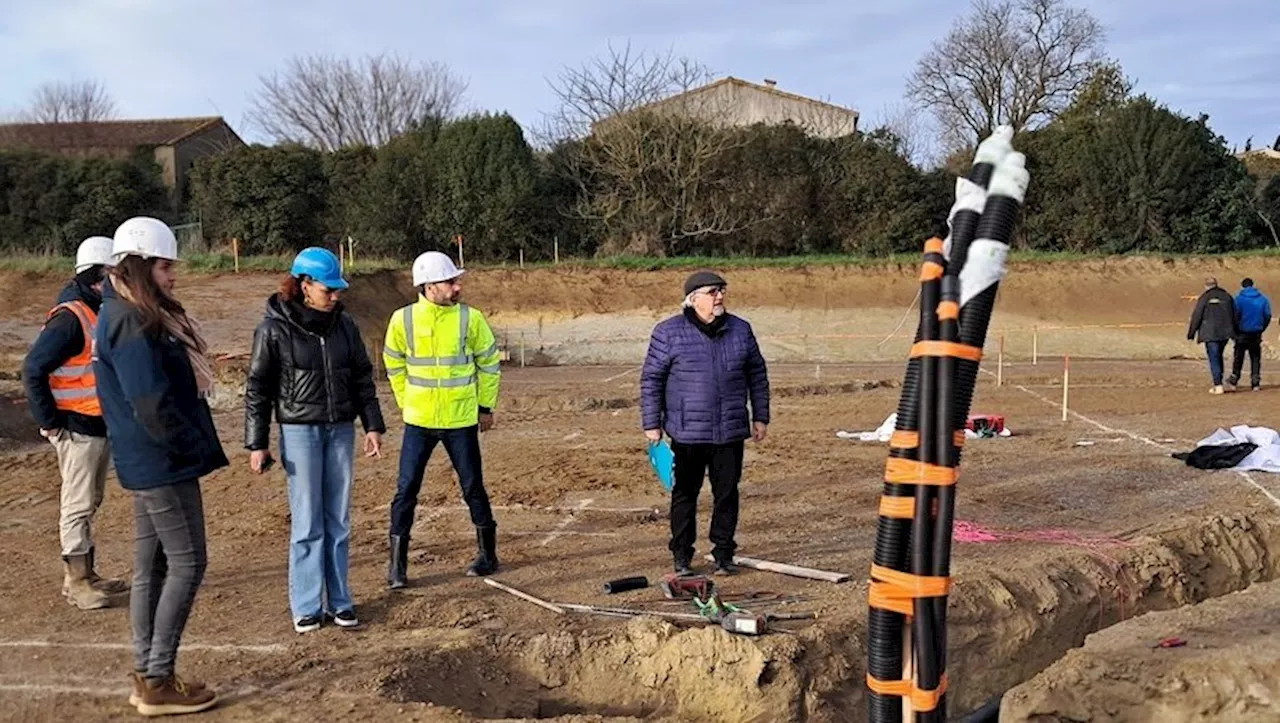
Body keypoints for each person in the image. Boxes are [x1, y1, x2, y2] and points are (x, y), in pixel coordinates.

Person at [94, 216, 226, 715]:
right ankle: (156, 678)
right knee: (189, 562)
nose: (173, 276)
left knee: (151, 566)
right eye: (166, 266)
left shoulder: (124, 313)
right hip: (160, 462)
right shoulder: (129, 320)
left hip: (147, 460)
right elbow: (150, 402)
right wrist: (188, 447)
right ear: (141, 265)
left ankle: (149, 671)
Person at [244, 248, 386, 634]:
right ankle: (307, 605)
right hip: (299, 431)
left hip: (340, 429)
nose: (336, 295)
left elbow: (361, 377)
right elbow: (258, 387)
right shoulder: (273, 329)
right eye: (328, 289)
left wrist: (372, 425)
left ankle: (340, 601)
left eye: (338, 289)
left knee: (337, 520)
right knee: (308, 521)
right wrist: (257, 443)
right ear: (304, 285)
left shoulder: (345, 326)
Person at [383, 251, 503, 587]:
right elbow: (393, 362)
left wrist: (485, 407)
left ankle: (488, 555)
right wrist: (407, 402)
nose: (457, 287)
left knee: (473, 487)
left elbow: (489, 363)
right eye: (449, 281)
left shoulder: (471, 319)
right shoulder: (402, 320)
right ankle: (397, 566)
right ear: (428, 286)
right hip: (419, 420)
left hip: (460, 418)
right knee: (406, 489)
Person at [23, 236, 129, 610]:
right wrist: (50, 424)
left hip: (95, 425)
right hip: (76, 427)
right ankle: (77, 581)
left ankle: (87, 573)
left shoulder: (95, 309)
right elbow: (33, 369)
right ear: (96, 275)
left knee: (90, 499)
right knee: (77, 504)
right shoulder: (71, 318)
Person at [640, 271, 770, 576]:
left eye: (722, 291)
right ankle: (682, 556)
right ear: (693, 298)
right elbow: (652, 379)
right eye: (712, 292)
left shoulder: (740, 330)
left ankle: (724, 553)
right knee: (685, 493)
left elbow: (757, 375)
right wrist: (652, 422)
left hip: (730, 430)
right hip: (687, 432)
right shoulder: (668, 332)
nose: (720, 297)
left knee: (727, 493)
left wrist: (761, 415)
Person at [1187, 277, 1238, 395]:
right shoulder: (1227, 297)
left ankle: (1218, 384)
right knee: (1219, 356)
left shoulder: (1204, 298)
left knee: (1214, 358)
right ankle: (1219, 382)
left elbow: (1197, 315)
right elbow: (1234, 315)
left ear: (1206, 286)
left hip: (1209, 333)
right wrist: (1234, 332)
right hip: (1225, 333)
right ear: (1216, 284)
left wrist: (1191, 333)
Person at [1227, 277, 1272, 392]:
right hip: (1256, 332)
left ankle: (1234, 380)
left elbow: (1234, 316)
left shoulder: (1238, 299)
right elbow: (1267, 315)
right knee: (1255, 357)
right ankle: (1255, 382)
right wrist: (1262, 328)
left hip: (1242, 332)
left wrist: (1235, 330)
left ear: (1242, 286)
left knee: (1238, 357)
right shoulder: (1263, 299)